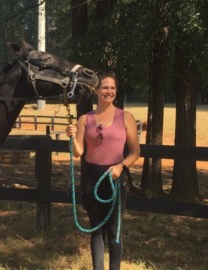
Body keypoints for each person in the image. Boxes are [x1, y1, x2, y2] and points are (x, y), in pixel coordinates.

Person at [65, 73, 140, 270]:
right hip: (91, 179)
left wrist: (121, 166)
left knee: (115, 231)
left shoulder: (126, 117)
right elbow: (78, 152)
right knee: (96, 230)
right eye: (105, 87)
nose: (109, 91)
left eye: (112, 88)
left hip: (115, 178)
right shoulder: (85, 119)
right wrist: (72, 138)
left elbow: (135, 151)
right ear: (96, 90)